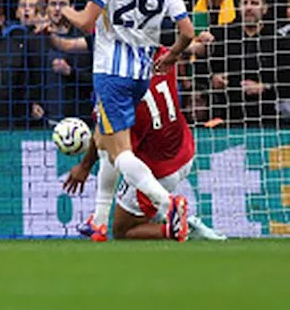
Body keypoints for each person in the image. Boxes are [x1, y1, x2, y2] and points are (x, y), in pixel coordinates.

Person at [61, 0, 195, 242]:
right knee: (108, 142)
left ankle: (169, 204)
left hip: (110, 71)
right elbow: (188, 32)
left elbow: (86, 22)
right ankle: (99, 221)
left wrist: (63, 11)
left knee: (119, 150)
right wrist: (174, 54)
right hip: (141, 71)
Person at [64, 48, 226, 242]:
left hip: (157, 170)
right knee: (114, 148)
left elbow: (104, 137)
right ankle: (98, 220)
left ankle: (180, 226)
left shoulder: (118, 88)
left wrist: (84, 166)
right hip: (184, 149)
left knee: (122, 230)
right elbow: (182, 44)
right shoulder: (162, 55)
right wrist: (194, 45)